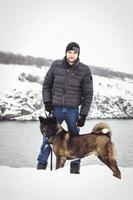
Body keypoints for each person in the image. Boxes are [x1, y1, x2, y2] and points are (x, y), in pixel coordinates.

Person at [37, 42, 93, 174]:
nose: (72, 55)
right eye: (69, 52)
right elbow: (46, 84)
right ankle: (40, 167)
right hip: (55, 109)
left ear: (78, 54)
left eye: (74, 53)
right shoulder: (56, 65)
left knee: (75, 140)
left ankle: (74, 169)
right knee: (47, 137)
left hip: (73, 111)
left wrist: (83, 114)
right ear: (66, 52)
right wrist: (47, 101)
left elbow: (88, 94)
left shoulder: (85, 70)